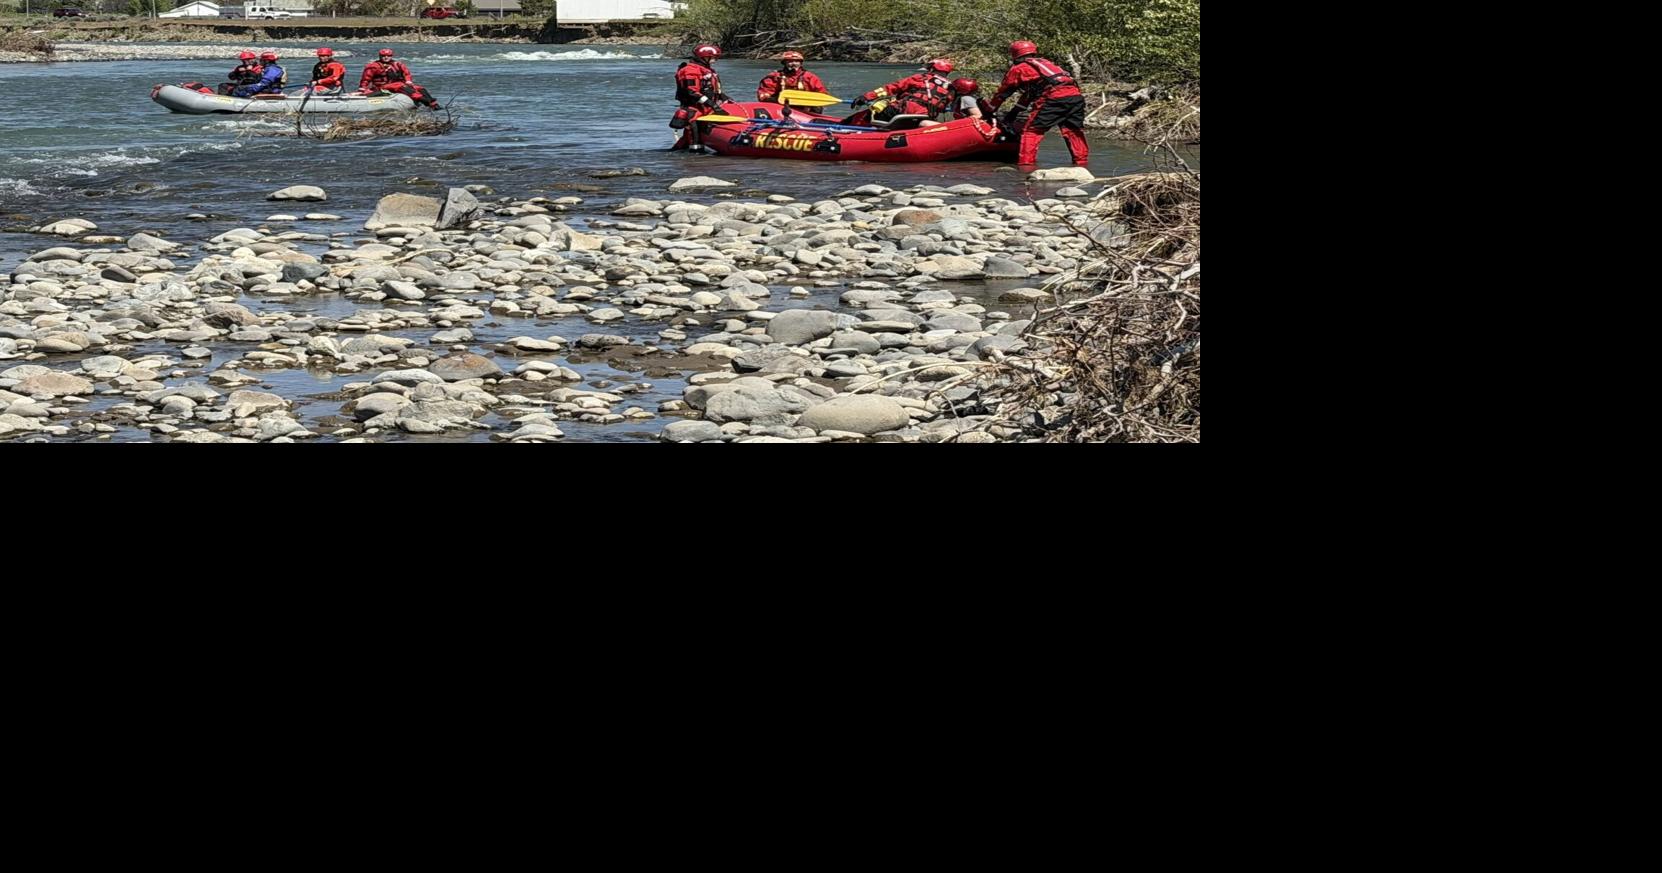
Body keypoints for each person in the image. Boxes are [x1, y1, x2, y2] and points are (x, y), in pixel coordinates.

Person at [987, 40, 1089, 167]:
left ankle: (1026, 166)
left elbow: (1003, 92)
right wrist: (1014, 112)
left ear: (1014, 54)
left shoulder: (1019, 68)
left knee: (1031, 131)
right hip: (1075, 97)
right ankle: (1081, 163)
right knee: (1073, 130)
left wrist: (990, 109)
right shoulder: (1046, 63)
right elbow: (1030, 93)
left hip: (1053, 97)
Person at [845, 59, 954, 127]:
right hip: (926, 115)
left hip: (902, 110)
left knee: (863, 116)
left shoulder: (920, 78)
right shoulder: (951, 87)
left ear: (932, 69)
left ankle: (847, 128)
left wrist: (866, 97)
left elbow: (890, 88)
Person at [670, 44, 731, 149]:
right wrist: (713, 105)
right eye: (713, 57)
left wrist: (727, 100)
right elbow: (691, 92)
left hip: (706, 107)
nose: (716, 60)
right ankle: (695, 158)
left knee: (690, 137)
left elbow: (715, 91)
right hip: (694, 108)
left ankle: (682, 151)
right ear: (704, 57)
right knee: (694, 132)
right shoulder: (690, 71)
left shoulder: (708, 70)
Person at [359, 48, 440, 110]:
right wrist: (363, 88)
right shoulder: (373, 66)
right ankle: (424, 100)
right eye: (383, 56)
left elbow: (406, 73)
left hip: (397, 85)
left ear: (391, 56)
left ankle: (433, 104)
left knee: (420, 88)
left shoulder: (398, 64)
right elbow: (366, 78)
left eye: (388, 56)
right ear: (380, 56)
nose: (386, 57)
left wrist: (408, 81)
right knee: (400, 86)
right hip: (382, 86)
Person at [756, 51, 827, 102]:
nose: (793, 64)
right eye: (790, 61)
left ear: (800, 63)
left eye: (797, 61)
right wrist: (776, 99)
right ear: (784, 63)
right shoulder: (774, 77)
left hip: (805, 108)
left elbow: (822, 93)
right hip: (780, 106)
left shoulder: (810, 77)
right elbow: (764, 94)